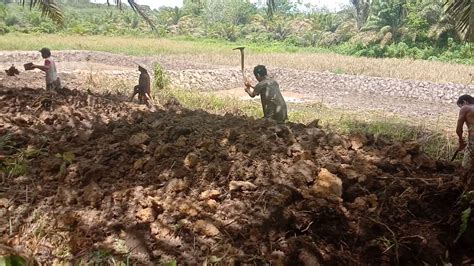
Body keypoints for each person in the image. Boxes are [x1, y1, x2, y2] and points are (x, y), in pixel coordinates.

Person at [456, 94, 474, 188]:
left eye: (460, 105)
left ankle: (463, 189)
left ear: (464, 102)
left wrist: (461, 141)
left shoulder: (465, 108)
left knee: (466, 166)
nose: (461, 107)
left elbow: (459, 129)